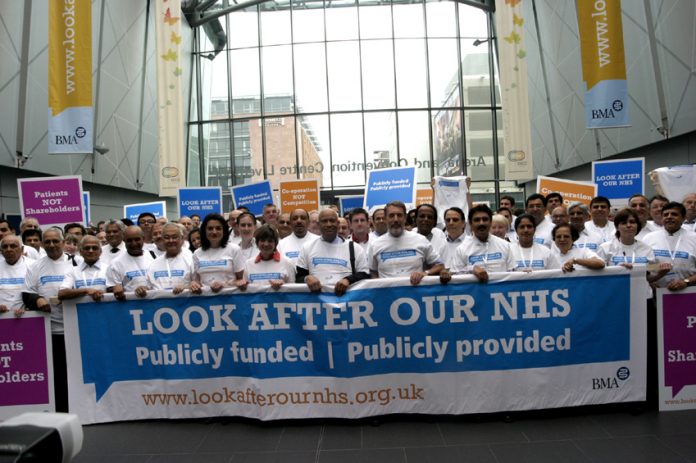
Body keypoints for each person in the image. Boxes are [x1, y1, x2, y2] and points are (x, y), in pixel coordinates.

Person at [22, 228, 72, 411]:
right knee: (57, 372)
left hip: (75, 329)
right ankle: (60, 409)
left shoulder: (76, 262)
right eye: (47, 242)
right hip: (50, 331)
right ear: (42, 244)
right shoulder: (35, 266)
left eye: (55, 241)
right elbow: (27, 293)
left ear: (63, 241)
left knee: (75, 373)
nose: (51, 245)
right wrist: (37, 299)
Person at [369, 201, 448, 285]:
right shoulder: (375, 245)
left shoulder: (420, 240)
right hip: (387, 296)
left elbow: (440, 265)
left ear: (405, 217)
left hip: (415, 295)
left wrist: (425, 273)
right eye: (391, 215)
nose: (396, 219)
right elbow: (373, 272)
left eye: (399, 215)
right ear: (386, 218)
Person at [297, 208, 370, 296]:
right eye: (324, 221)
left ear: (338, 223)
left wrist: (348, 280)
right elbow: (298, 277)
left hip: (346, 302)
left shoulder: (355, 248)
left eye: (332, 220)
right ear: (318, 224)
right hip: (318, 303)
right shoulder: (307, 247)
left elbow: (365, 274)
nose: (329, 224)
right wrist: (307, 278)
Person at [451, 204, 514, 282]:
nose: (481, 223)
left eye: (485, 219)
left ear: (490, 222)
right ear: (470, 224)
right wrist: (471, 269)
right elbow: (455, 276)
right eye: (477, 220)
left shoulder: (505, 246)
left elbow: (513, 273)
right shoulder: (461, 249)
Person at [643, 201, 696, 291]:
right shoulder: (649, 238)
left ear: (683, 218)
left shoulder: (694, 238)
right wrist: (652, 280)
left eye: (674, 214)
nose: (669, 217)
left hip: (689, 290)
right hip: (658, 291)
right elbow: (644, 266)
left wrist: (685, 282)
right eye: (666, 214)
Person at [191, 213, 244, 293]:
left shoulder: (234, 249)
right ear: (204, 231)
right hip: (205, 301)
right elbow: (196, 281)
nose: (214, 232)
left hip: (230, 299)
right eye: (210, 228)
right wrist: (194, 284)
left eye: (218, 228)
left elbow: (241, 280)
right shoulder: (197, 253)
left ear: (224, 230)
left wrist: (224, 284)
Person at [106, 226, 154, 300]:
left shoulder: (153, 257)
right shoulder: (115, 264)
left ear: (143, 239)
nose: (134, 243)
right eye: (129, 240)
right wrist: (116, 289)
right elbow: (111, 289)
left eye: (137, 239)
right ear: (124, 241)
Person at [242, 225, 295, 289]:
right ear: (257, 243)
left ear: (275, 243)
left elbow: (292, 290)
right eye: (262, 240)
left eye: (270, 241)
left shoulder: (287, 263)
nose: (266, 244)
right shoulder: (248, 264)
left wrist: (283, 285)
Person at [147, 223, 194, 294]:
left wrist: (186, 288)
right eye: (166, 237)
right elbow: (149, 288)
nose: (171, 240)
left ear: (182, 238)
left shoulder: (191, 260)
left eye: (175, 237)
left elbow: (198, 284)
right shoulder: (153, 264)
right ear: (162, 240)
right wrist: (143, 289)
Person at [58, 235, 108, 302]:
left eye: (94, 248)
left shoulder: (108, 269)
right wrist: (86, 290)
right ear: (81, 252)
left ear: (100, 252)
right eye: (87, 248)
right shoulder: (72, 271)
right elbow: (61, 294)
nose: (91, 251)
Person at [0, 235, 32, 316]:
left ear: (21, 249)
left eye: (13, 246)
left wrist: (28, 308)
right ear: (1, 251)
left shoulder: (33, 265)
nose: (9, 249)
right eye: (5, 247)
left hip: (29, 316)